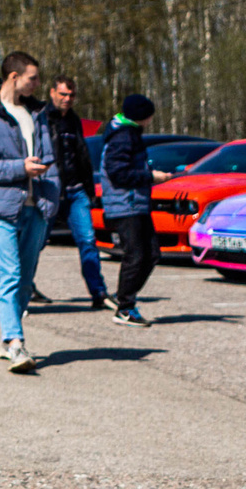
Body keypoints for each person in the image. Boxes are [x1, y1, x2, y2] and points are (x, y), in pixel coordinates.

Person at [0, 51, 58, 373]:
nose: (38, 84)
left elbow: (50, 159)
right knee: (10, 274)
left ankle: (7, 342)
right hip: (2, 208)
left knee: (26, 279)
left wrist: (53, 196)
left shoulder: (37, 114)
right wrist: (20, 168)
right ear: (14, 77)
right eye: (33, 78)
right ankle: (16, 343)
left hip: (37, 207)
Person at [42, 77, 111, 311]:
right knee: (35, 243)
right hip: (51, 190)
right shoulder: (42, 119)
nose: (67, 99)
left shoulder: (74, 120)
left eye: (71, 95)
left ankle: (98, 292)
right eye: (63, 94)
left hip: (77, 191)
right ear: (52, 92)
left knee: (88, 241)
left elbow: (82, 156)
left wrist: (89, 189)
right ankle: (24, 287)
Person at [98, 93, 167, 325]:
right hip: (125, 205)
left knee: (151, 254)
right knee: (136, 255)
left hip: (136, 204)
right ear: (142, 116)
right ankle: (125, 308)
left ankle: (122, 296)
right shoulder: (123, 136)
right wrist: (150, 176)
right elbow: (117, 173)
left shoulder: (128, 133)